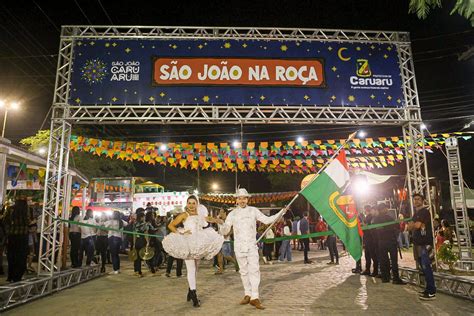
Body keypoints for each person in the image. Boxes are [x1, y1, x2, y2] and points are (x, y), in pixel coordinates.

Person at [209, 188, 285, 310]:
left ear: (247, 199)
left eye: (244, 198)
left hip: (251, 246)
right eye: (240, 198)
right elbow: (226, 230)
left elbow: (267, 220)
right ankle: (247, 294)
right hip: (239, 247)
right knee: (243, 271)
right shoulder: (232, 214)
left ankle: (255, 297)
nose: (242, 200)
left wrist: (281, 212)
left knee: (254, 270)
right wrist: (220, 223)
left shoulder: (253, 211)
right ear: (236, 200)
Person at [163, 195, 224, 308]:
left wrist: (218, 220)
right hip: (188, 243)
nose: (191, 205)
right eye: (189, 203)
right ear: (187, 204)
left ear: (197, 204)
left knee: (195, 269)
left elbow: (208, 219)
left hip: (199, 243)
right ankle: (194, 296)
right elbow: (171, 225)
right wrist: (181, 233)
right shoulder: (184, 215)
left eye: (193, 203)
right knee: (191, 269)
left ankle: (190, 290)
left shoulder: (201, 214)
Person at [408, 193, 436, 300]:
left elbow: (417, 225)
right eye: (414, 199)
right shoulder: (415, 214)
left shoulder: (425, 212)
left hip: (425, 244)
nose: (416, 201)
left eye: (418, 199)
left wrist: (413, 225)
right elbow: (409, 227)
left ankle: (432, 292)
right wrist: (412, 225)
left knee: (426, 267)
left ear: (423, 200)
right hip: (417, 244)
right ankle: (428, 289)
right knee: (423, 268)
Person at [373, 203, 406, 285]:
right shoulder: (389, 218)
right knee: (394, 261)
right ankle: (395, 278)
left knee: (384, 261)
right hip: (391, 241)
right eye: (386, 208)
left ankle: (385, 277)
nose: (387, 209)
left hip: (381, 242)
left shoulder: (375, 220)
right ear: (383, 209)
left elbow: (373, 231)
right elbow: (397, 228)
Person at [4, 199, 30, 282]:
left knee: (11, 257)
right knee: (21, 257)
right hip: (23, 236)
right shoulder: (27, 211)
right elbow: (29, 222)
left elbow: (5, 221)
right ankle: (17, 276)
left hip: (12, 236)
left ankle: (10, 275)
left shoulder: (10, 210)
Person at [361, 205, 379, 276]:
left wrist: (364, 225)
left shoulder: (371, 217)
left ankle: (375, 271)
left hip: (371, 239)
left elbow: (369, 226)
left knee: (373, 256)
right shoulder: (367, 217)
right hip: (367, 238)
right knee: (367, 255)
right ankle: (367, 269)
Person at [132, 211, 151, 277]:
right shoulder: (144, 224)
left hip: (137, 240)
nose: (145, 218)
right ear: (142, 217)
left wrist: (134, 243)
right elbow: (146, 233)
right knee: (140, 256)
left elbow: (134, 234)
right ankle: (139, 272)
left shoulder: (135, 224)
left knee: (136, 256)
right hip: (142, 240)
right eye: (144, 217)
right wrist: (147, 242)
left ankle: (136, 271)